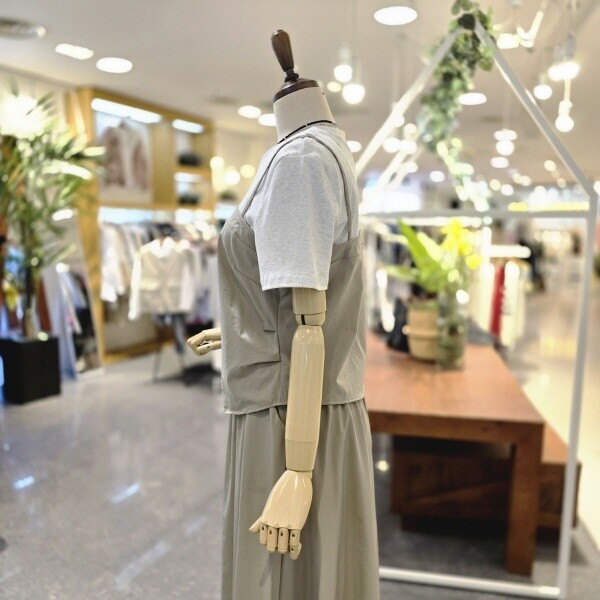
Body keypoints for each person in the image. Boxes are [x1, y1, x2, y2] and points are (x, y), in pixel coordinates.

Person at [188, 30, 379, 600]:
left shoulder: (300, 161)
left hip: (289, 419)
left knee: (279, 579)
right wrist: (241, 331)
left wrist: (297, 472)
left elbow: (310, 326)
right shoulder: (321, 149)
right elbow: (300, 301)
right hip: (299, 400)